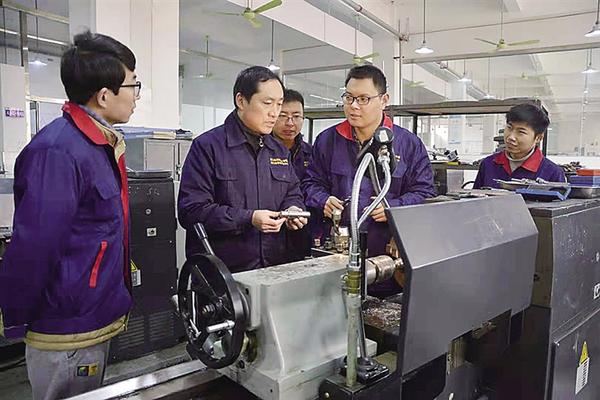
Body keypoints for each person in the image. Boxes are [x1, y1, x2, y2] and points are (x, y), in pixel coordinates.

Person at [0, 31, 140, 400]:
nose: (136, 95)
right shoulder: (59, 151)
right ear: (104, 95)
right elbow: (34, 246)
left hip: (89, 314)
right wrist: (16, 317)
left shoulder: (97, 144)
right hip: (65, 326)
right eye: (133, 85)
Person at [303, 65, 436, 297]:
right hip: (337, 256)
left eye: (363, 99)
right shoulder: (327, 140)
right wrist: (323, 200)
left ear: (383, 100)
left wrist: (394, 208)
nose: (353, 106)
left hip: (386, 259)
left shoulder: (407, 144)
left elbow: (426, 193)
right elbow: (309, 183)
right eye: (349, 97)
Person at [178, 66, 307, 273]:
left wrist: (293, 209)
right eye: (267, 103)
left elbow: (293, 193)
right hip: (224, 273)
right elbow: (191, 211)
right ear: (241, 101)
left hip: (273, 267)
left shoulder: (278, 150)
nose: (274, 113)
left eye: (279, 104)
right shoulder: (208, 147)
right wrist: (248, 218)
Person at [473, 103, 565, 188]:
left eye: (521, 132)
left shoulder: (552, 173)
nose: (511, 137)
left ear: (538, 138)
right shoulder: (488, 164)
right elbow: (475, 198)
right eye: (509, 128)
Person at [271, 89, 313, 260]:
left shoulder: (311, 153)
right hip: (271, 231)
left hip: (302, 231)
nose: (290, 123)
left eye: (296, 116)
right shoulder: (261, 152)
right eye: (283, 116)